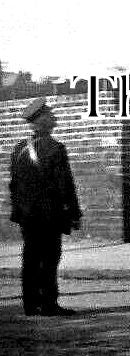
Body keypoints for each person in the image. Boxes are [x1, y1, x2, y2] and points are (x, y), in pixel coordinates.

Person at [9, 98, 82, 316]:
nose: (53, 117)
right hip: (49, 215)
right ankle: (49, 303)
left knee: (31, 257)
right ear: (41, 122)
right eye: (49, 115)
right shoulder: (56, 148)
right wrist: (74, 213)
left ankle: (31, 304)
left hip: (27, 215)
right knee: (50, 258)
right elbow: (65, 186)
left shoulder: (19, 149)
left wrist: (20, 210)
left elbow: (14, 184)